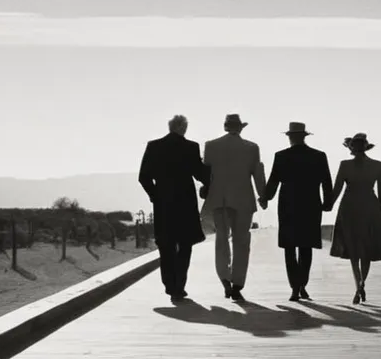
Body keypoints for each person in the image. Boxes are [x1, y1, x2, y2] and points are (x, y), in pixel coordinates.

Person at [138, 114, 209, 303]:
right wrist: (210, 179)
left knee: (166, 245)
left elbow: (143, 177)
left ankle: (169, 285)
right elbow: (200, 174)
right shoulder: (191, 147)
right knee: (185, 245)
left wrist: (155, 196)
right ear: (182, 127)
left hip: (163, 203)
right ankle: (179, 286)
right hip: (185, 203)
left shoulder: (154, 146)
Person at [261, 122, 332, 302]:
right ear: (304, 136)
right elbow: (326, 182)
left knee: (289, 247)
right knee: (306, 246)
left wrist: (265, 199)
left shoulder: (281, 156)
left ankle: (295, 286)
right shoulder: (318, 156)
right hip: (311, 204)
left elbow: (273, 181)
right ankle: (302, 285)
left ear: (290, 137)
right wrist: (327, 203)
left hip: (288, 205)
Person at [202, 113, 267, 301]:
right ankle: (238, 284)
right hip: (243, 200)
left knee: (221, 240)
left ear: (225, 127)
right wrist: (263, 196)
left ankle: (224, 279)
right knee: (241, 242)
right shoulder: (252, 148)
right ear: (240, 128)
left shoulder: (211, 146)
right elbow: (258, 173)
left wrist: (205, 190)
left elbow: (206, 174)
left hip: (219, 200)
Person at [327, 132, 381, 304]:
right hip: (370, 207)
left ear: (351, 149)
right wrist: (377, 210)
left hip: (349, 207)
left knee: (353, 250)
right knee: (367, 251)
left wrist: (328, 205)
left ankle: (359, 286)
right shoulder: (378, 165)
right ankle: (361, 283)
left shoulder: (345, 165)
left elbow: (337, 189)